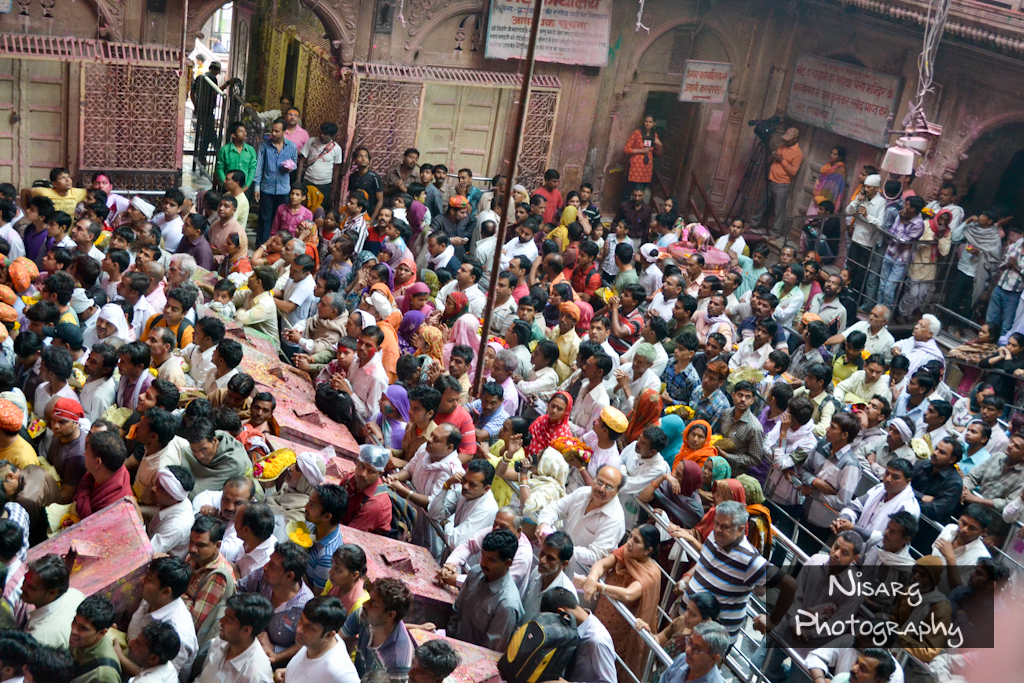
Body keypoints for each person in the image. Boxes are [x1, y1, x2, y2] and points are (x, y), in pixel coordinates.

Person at [578, 525, 661, 683]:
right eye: (630, 537)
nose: (629, 542)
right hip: (601, 616)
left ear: (648, 550)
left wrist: (598, 587)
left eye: (636, 541)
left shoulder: (651, 573)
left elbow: (629, 594)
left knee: (608, 667)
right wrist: (592, 578)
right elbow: (602, 564)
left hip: (622, 633)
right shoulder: (627, 551)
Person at [535, 465, 625, 578]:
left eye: (608, 487)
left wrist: (563, 549)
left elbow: (596, 556)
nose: (601, 489)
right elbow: (555, 508)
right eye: (599, 482)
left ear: (617, 491)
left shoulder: (615, 519)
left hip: (579, 575)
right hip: (554, 563)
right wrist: (544, 523)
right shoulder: (582, 493)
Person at [447, 528, 523, 652]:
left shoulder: (507, 605)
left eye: (491, 560)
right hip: (453, 647)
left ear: (507, 563)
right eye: (483, 555)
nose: (483, 562)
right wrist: (450, 641)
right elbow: (457, 610)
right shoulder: (476, 572)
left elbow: (490, 650)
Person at [122, 557, 198, 678]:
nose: (142, 580)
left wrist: (118, 657)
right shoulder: (152, 598)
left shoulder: (178, 634)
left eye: (149, 579)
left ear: (165, 592)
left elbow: (160, 678)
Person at [183, 514, 238, 651]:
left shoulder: (218, 577)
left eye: (201, 545)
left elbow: (194, 621)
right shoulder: (195, 558)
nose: (192, 549)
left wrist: (177, 593)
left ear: (217, 546)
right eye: (191, 542)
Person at [196, 592, 274, 683]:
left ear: (246, 631)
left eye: (228, 620)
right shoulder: (219, 642)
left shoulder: (256, 676)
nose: (221, 620)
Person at [352, 578, 415, 680]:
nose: (364, 604)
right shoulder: (364, 615)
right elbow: (337, 644)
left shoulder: (398, 663)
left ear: (390, 615)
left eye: (374, 604)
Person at [285, 596, 359, 683]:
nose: (299, 629)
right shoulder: (314, 642)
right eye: (301, 620)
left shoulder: (340, 673)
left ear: (329, 635)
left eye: (310, 627)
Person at [22, 554, 86, 647]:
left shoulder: (39, 637)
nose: (22, 588)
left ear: (52, 592)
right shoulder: (75, 594)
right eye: (25, 580)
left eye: (32, 587)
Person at [254, 119, 298, 245]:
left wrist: (291, 167)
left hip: (283, 188)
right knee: (264, 218)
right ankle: (262, 245)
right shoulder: (265, 146)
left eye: (277, 131)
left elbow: (295, 162)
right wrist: (257, 185)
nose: (273, 133)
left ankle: (278, 245)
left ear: (284, 132)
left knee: (281, 219)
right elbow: (259, 166)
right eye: (272, 130)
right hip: (267, 187)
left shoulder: (291, 146)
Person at [752, 127, 803, 238]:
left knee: (779, 209)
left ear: (795, 139)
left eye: (789, 139)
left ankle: (775, 233)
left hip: (782, 184)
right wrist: (772, 158)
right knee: (762, 203)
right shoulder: (781, 146)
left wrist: (782, 160)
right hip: (770, 179)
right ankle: (754, 224)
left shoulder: (798, 154)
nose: (786, 141)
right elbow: (773, 161)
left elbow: (793, 171)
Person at [74, 430, 132, 519]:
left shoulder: (110, 508)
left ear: (98, 462)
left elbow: (92, 524)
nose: (84, 453)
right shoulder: (118, 468)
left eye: (88, 452)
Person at [70, 594, 121, 683]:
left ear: (102, 633)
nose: (73, 631)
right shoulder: (83, 642)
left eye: (83, 628)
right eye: (74, 621)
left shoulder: (104, 675)